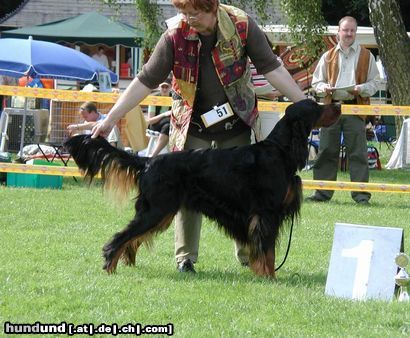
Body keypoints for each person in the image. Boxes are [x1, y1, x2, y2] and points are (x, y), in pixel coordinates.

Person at [91, 0, 306, 273]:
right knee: (186, 192)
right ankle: (185, 258)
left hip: (235, 121)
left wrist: (305, 105)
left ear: (213, 7)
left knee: (246, 196)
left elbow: (271, 68)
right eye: (183, 12)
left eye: (195, 12)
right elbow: (145, 80)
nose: (188, 18)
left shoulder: (241, 25)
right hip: (191, 124)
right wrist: (110, 119)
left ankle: (249, 257)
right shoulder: (174, 35)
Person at [307, 16, 380, 204]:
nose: (349, 34)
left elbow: (375, 83)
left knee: (358, 153)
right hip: (331, 109)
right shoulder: (328, 55)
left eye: (352, 30)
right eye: (345, 30)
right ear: (338, 32)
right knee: (326, 152)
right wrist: (324, 88)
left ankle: (361, 196)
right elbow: (316, 81)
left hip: (355, 108)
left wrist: (361, 89)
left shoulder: (366, 56)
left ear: (355, 32)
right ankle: (322, 193)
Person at [146, 82, 172, 156]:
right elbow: (150, 121)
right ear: (159, 88)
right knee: (168, 121)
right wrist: (164, 114)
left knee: (168, 125)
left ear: (170, 88)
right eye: (162, 87)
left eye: (166, 87)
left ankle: (154, 155)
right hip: (155, 124)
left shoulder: (173, 99)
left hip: (168, 126)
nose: (164, 89)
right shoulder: (155, 98)